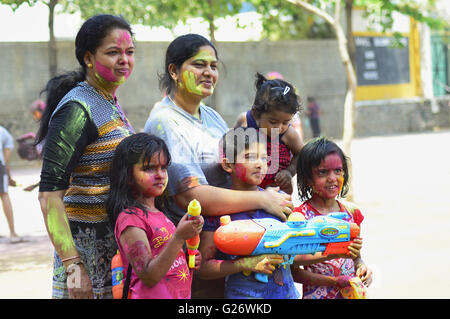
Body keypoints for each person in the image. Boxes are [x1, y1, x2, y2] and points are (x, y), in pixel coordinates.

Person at [144, 34, 293, 298]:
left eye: (213, 66)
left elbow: (234, 168)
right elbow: (192, 196)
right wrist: (262, 201)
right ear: (174, 71)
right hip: (190, 254)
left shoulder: (210, 115)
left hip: (226, 243)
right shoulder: (166, 121)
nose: (209, 72)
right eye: (199, 65)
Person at [37, 14, 135, 299]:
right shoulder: (78, 109)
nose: (124, 60)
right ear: (89, 58)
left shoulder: (107, 100)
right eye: (113, 52)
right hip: (83, 259)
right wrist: (73, 268)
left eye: (129, 52)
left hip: (112, 254)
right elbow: (49, 197)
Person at [198, 127, 300, 299]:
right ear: (228, 164)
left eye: (264, 158)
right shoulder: (219, 211)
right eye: (250, 157)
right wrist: (246, 264)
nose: (260, 164)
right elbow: (203, 269)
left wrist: (334, 250)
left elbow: (297, 252)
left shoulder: (280, 201)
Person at [106, 133, 203, 299]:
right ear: (128, 176)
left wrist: (187, 256)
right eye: (149, 168)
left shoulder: (159, 214)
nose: (160, 175)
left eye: (163, 168)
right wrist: (179, 237)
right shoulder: (130, 220)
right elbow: (149, 276)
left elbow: (165, 255)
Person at [292, 137, 372, 299]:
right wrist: (334, 281)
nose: (332, 178)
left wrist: (361, 266)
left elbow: (355, 256)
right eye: (322, 172)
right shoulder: (300, 218)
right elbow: (293, 269)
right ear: (307, 179)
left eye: (338, 171)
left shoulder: (351, 213)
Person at [233, 73, 304, 194]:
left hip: (277, 189)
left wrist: (289, 172)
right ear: (256, 113)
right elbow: (231, 148)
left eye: (286, 122)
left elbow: (301, 154)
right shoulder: (245, 121)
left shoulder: (289, 134)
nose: (280, 127)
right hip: (247, 190)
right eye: (273, 122)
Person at [0, 125, 21, 243]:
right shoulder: (3, 132)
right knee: (4, 195)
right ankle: (12, 233)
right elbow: (6, 158)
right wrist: (9, 177)